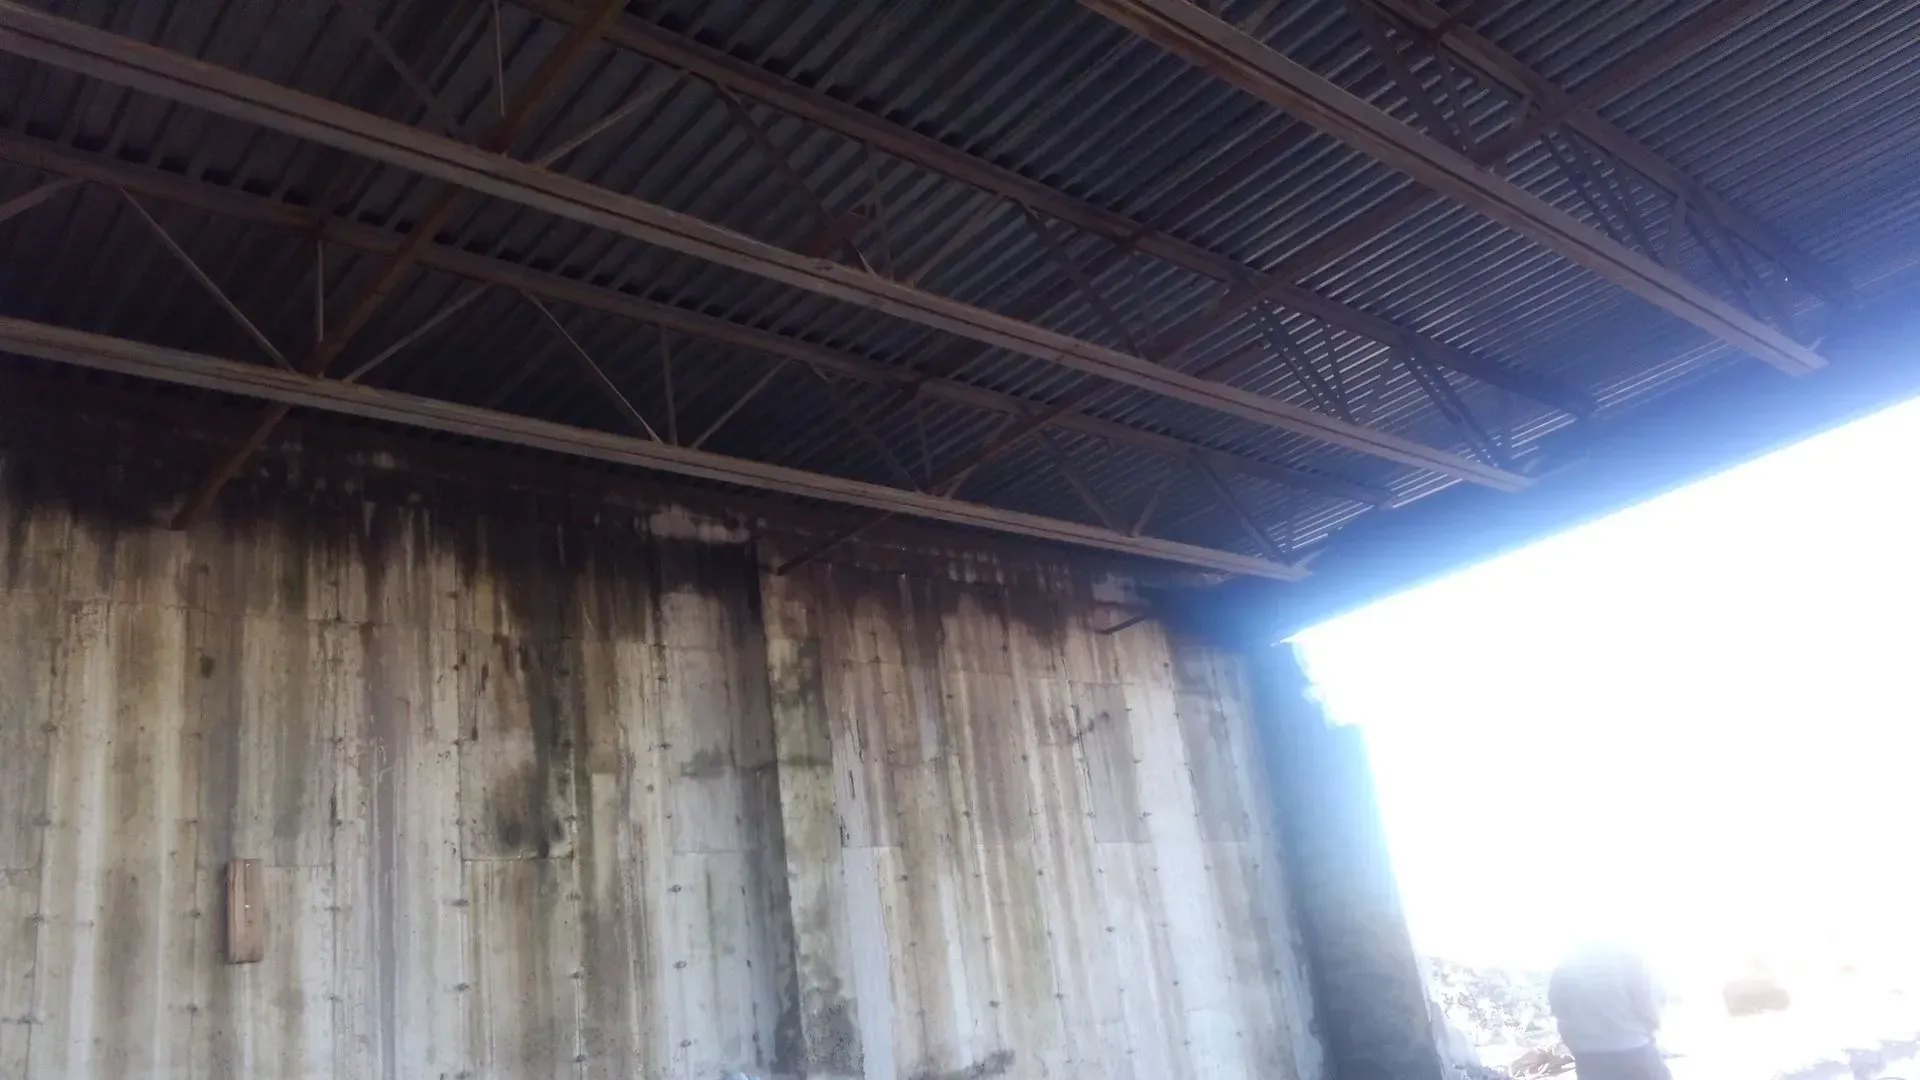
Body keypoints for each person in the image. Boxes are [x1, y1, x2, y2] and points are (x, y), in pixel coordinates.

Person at [1548, 941, 1671, 1080]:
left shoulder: (1567, 962)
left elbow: (1557, 1008)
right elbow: (1650, 1005)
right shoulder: (1628, 956)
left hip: (1588, 1056)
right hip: (1633, 1049)